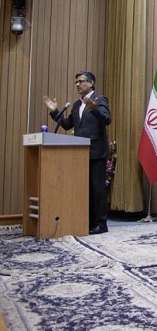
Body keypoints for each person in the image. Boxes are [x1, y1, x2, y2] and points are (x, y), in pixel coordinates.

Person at [43, 71, 111, 235]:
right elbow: (67, 125)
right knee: (85, 189)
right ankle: (88, 221)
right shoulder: (76, 105)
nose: (78, 85)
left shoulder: (100, 99)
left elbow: (107, 119)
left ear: (91, 83)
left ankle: (101, 224)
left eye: (81, 81)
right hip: (80, 154)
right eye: (76, 82)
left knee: (97, 190)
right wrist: (54, 111)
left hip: (96, 152)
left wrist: (94, 109)